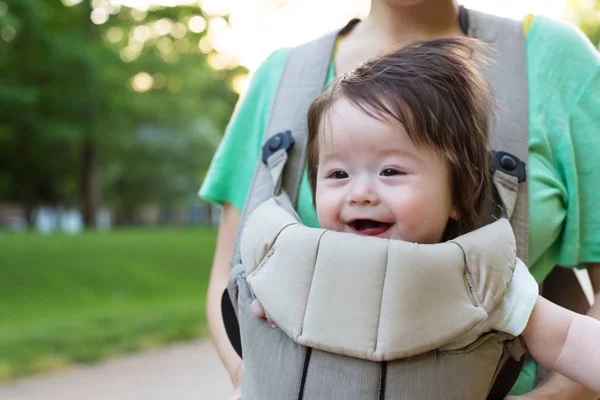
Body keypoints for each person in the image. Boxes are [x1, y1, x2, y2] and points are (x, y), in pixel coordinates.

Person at [199, 1, 600, 398]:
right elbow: (238, 293)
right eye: (338, 175)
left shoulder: (483, 279)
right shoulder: (298, 265)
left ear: (461, 195)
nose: (361, 193)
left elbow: (565, 340)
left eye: (391, 172)